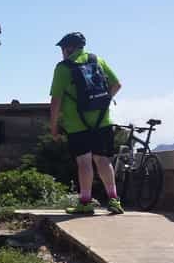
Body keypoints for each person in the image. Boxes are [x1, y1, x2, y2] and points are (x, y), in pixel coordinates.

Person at [49, 32, 123, 215]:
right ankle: (114, 200)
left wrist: (54, 127)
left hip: (77, 123)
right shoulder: (97, 60)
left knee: (84, 162)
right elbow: (117, 84)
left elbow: (56, 101)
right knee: (103, 160)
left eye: (62, 49)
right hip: (103, 120)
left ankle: (85, 202)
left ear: (69, 48)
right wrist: (104, 102)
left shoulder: (63, 68)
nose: (62, 53)